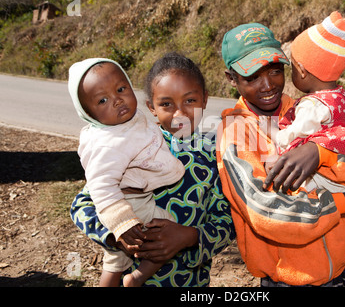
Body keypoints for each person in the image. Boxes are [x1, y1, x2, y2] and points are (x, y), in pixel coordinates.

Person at [216, 22, 345, 287]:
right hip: (289, 277)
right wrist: (343, 203)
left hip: (340, 264)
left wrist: (319, 150)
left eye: (275, 71)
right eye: (252, 77)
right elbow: (265, 212)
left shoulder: (307, 108)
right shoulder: (235, 134)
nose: (267, 85)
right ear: (231, 79)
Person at [70, 52, 235, 287]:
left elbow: (227, 222)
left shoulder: (217, 157)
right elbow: (83, 205)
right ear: (151, 107)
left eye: (190, 101)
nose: (180, 113)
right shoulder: (132, 143)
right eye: (166, 104)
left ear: (205, 99)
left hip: (189, 282)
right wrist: (116, 236)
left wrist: (189, 237)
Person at [68, 58, 186, 286]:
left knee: (115, 259)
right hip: (128, 203)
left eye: (121, 89)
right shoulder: (107, 142)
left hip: (135, 198)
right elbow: (101, 187)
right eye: (102, 100)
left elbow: (146, 134)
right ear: (88, 113)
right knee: (165, 230)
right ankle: (137, 278)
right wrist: (122, 222)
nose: (117, 100)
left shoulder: (127, 121)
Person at [273, 11, 345, 257]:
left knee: (301, 195)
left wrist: (276, 138)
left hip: (327, 173)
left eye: (291, 67)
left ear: (301, 70)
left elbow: (298, 134)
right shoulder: (340, 95)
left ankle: (308, 250)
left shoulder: (312, 105)